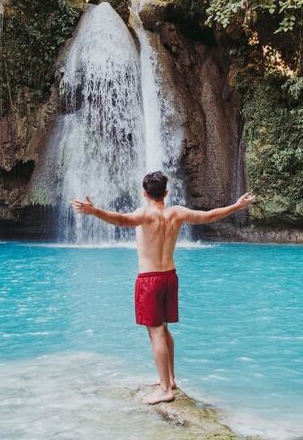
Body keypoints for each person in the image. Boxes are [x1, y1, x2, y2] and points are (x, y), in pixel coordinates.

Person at [70, 171, 255, 405]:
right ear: (166, 192)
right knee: (165, 329)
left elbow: (121, 220)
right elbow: (208, 216)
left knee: (155, 332)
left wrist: (93, 210)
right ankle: (171, 378)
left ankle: (166, 389)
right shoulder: (177, 212)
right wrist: (236, 206)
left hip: (149, 279)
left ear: (144, 193)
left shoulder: (144, 214)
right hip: (170, 276)